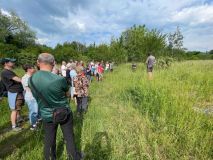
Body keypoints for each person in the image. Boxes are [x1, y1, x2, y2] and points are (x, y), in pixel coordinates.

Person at [29, 53, 81, 160]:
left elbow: (36, 95)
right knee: (69, 137)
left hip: (46, 114)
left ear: (38, 62)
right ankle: (74, 157)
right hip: (63, 112)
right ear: (53, 63)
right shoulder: (59, 79)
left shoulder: (31, 79)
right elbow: (67, 94)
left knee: (49, 139)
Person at [0, 58, 25, 131]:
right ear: (5, 63)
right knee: (14, 110)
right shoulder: (5, 72)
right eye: (11, 62)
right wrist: (27, 79)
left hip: (16, 92)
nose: (13, 63)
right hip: (14, 93)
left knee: (18, 107)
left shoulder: (8, 71)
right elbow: (19, 80)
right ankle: (14, 126)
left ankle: (18, 119)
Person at [21, 64, 39, 130]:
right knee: (34, 111)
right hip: (31, 97)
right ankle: (33, 125)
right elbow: (27, 88)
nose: (34, 69)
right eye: (33, 68)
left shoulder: (33, 76)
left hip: (35, 96)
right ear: (28, 69)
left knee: (37, 110)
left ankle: (36, 122)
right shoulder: (25, 78)